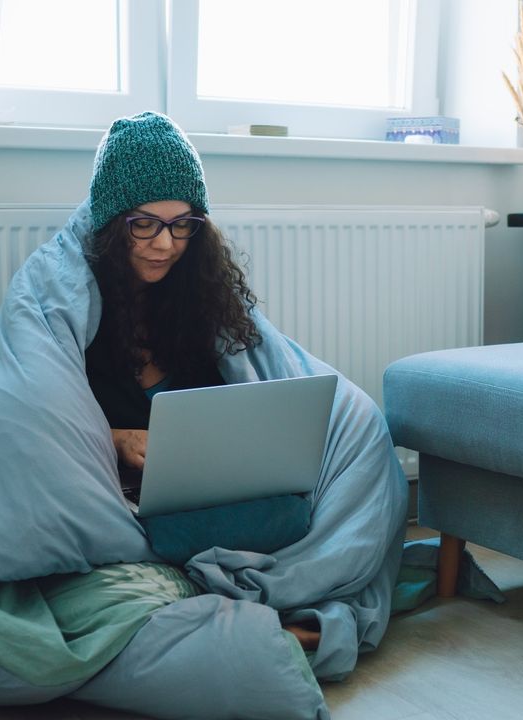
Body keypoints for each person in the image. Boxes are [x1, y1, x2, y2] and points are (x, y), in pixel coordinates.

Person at [82, 111, 320, 650]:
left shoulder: (199, 304)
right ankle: (250, 620)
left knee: (292, 512)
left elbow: (235, 405)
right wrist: (115, 440)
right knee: (139, 533)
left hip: (202, 500)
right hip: (122, 499)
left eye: (182, 224)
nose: (165, 244)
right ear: (113, 224)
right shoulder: (83, 315)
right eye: (144, 223)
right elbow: (46, 420)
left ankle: (213, 608)